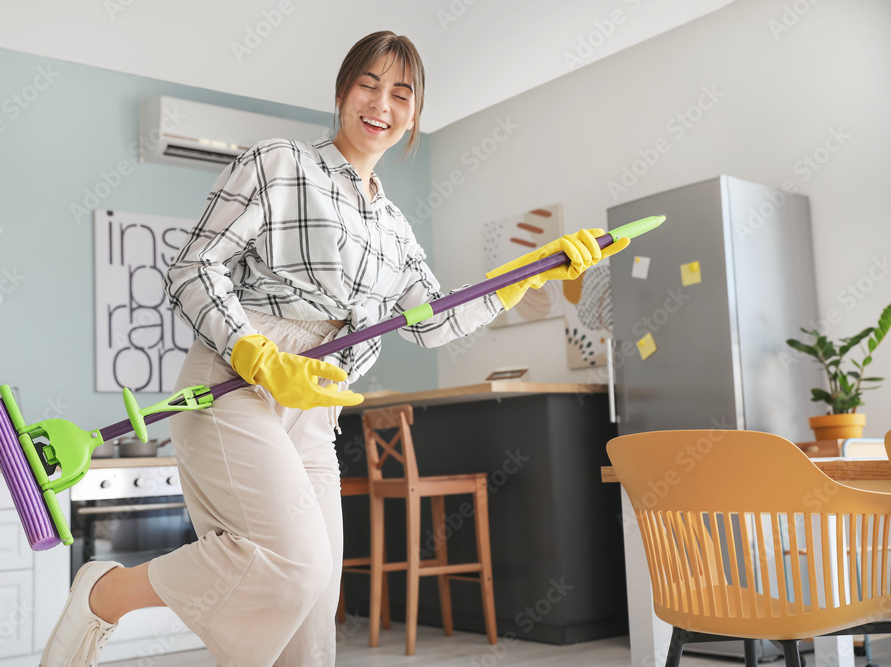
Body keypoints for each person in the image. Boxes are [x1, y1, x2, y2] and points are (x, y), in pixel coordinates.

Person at [39, 30, 628, 667]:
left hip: (316, 415)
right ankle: (106, 592)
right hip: (236, 385)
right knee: (297, 564)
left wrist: (530, 274)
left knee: (315, 604)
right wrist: (256, 355)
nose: (382, 103)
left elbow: (431, 322)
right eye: (369, 84)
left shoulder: (396, 230)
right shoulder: (279, 162)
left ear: (413, 118)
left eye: (401, 94)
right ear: (343, 92)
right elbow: (192, 268)